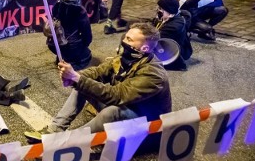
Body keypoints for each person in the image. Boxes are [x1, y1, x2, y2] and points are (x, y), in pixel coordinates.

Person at [25, 23, 171, 139]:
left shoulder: (153, 74)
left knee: (111, 112)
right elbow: (97, 72)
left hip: (146, 125)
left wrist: (77, 78)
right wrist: (74, 76)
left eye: (129, 40)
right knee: (82, 84)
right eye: (126, 37)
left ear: (144, 47)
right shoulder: (128, 58)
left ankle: (67, 141)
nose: (123, 41)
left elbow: (117, 96)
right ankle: (54, 131)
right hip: (127, 108)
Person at [46, 0, 92, 70]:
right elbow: (87, 35)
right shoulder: (80, 11)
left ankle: (63, 57)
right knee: (86, 53)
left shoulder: (56, 7)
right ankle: (72, 60)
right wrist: (84, 45)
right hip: (72, 47)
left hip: (55, 45)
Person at [154, 0, 192, 70]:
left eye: (161, 9)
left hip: (173, 55)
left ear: (170, 13)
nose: (159, 11)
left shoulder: (174, 26)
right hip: (168, 46)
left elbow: (154, 37)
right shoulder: (171, 17)